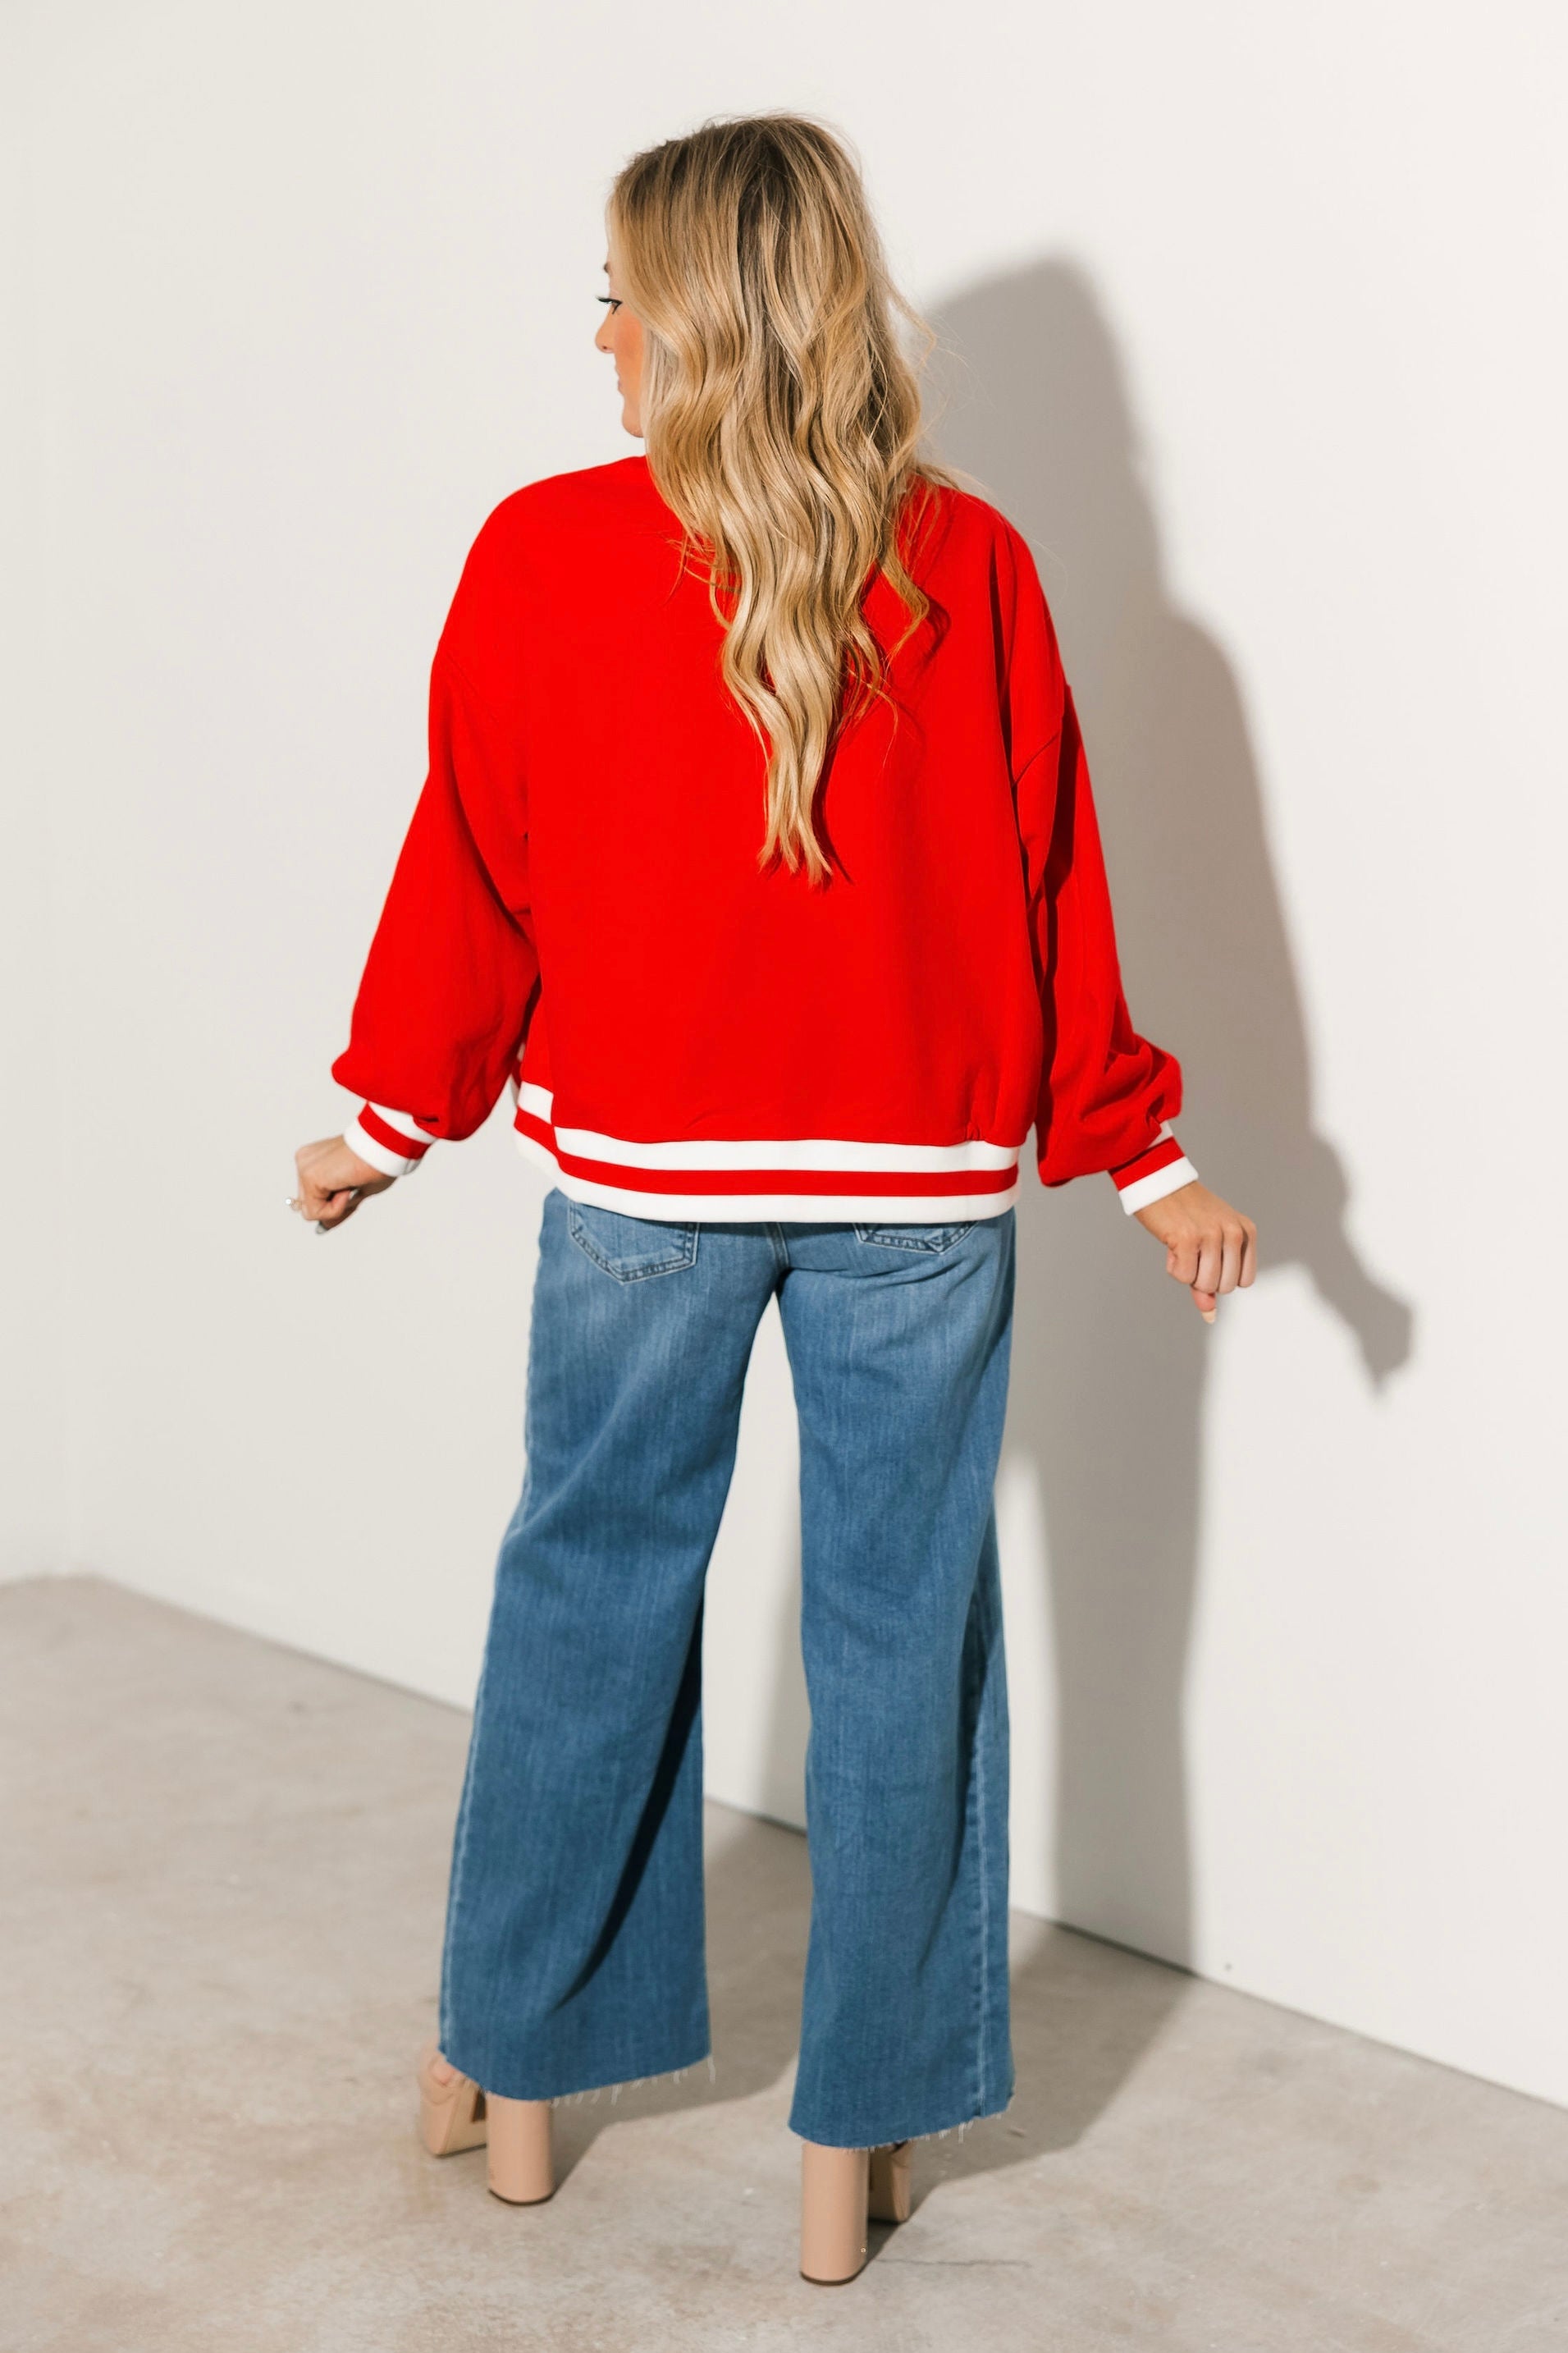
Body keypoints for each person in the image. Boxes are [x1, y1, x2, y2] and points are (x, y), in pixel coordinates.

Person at [290, 112, 1257, 2286]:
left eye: (616, 298)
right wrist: (1147, 1155)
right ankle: (865, 2140)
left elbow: (472, 873)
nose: (601, 339)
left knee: (588, 1593)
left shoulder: (544, 550)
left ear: (695, 322)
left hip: (645, 1187)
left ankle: (514, 2078)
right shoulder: (971, 559)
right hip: (923, 1196)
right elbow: (1053, 887)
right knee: (907, 1632)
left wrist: (387, 1118)